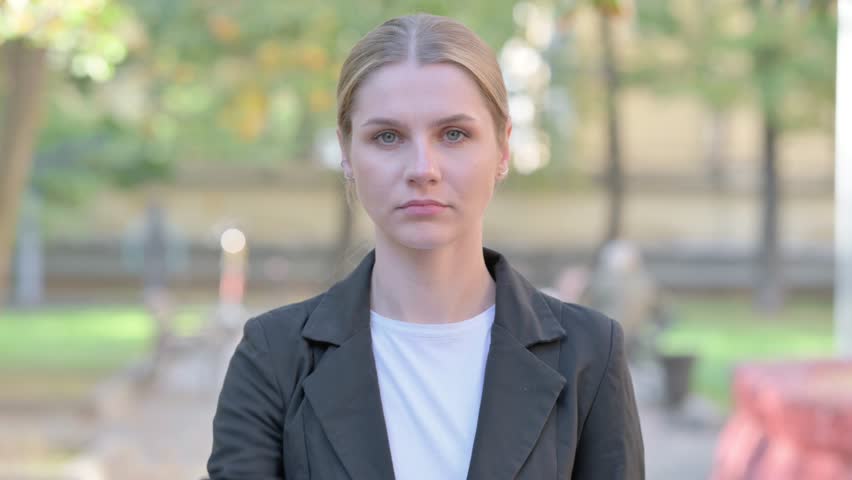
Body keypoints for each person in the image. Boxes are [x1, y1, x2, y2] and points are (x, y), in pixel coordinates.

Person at [207, 13, 644, 479]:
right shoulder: (273, 358)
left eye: (453, 134)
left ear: (502, 149)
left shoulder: (589, 354)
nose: (423, 168)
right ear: (347, 153)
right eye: (387, 136)